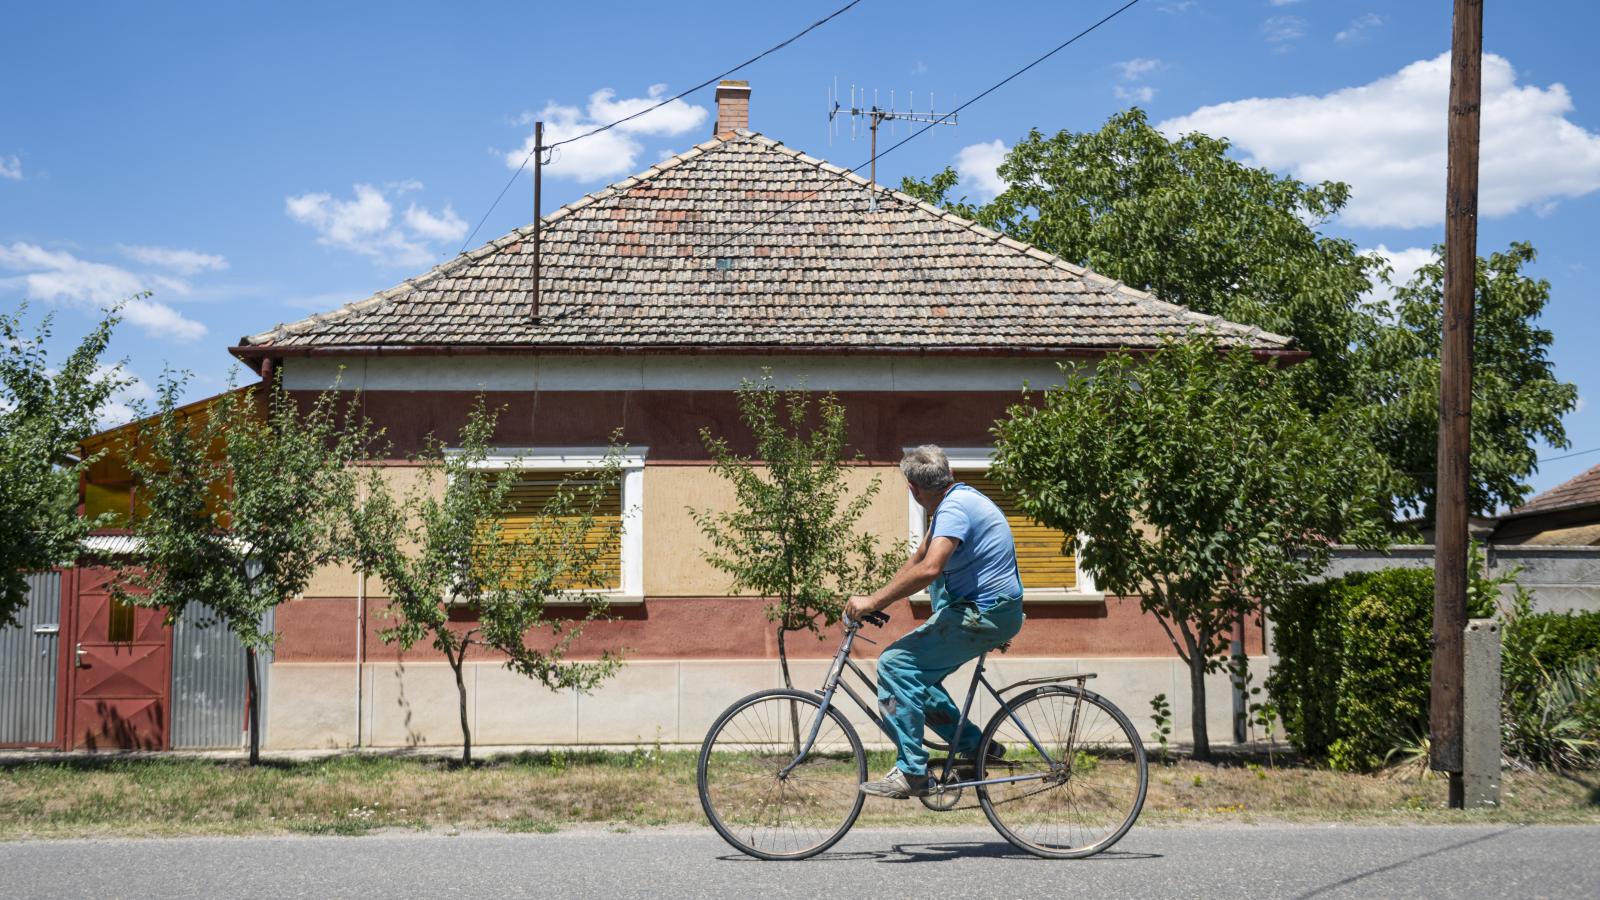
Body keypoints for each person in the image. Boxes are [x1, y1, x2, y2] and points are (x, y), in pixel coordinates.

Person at [844, 445, 1026, 799]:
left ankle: (912, 772)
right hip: (987, 611)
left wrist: (873, 601)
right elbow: (919, 558)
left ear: (913, 489)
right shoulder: (953, 503)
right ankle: (975, 746)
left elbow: (930, 568)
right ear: (950, 475)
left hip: (982, 613)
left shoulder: (954, 510)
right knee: (915, 682)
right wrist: (875, 599)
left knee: (895, 665)